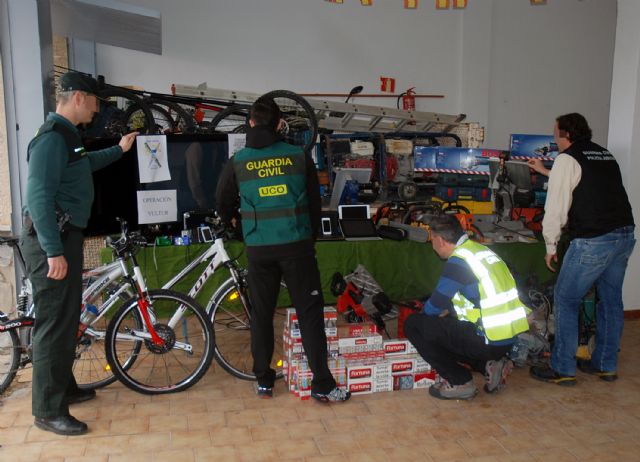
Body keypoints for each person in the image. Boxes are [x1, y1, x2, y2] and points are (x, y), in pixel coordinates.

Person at [20, 72, 138, 435]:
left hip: (63, 237)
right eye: (96, 100)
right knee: (54, 325)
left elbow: (83, 165)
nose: (98, 108)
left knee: (67, 319)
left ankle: (64, 389)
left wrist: (118, 150)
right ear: (79, 98)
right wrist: (53, 251)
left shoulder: (68, 138)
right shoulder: (51, 139)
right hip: (50, 241)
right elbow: (37, 197)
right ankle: (47, 410)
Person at [216, 96, 349, 403]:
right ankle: (322, 384)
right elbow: (316, 207)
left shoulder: (238, 161)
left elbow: (222, 203)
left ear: (250, 123)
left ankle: (263, 379)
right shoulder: (299, 156)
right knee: (310, 314)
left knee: (261, 314)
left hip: (259, 249)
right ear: (279, 124)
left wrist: (240, 230)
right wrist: (308, 237)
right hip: (297, 247)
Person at [529, 113, 635, 386]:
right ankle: (605, 365)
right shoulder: (603, 154)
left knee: (566, 300)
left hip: (593, 239)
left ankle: (562, 369)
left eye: (555, 132)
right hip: (623, 234)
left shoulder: (566, 158)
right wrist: (546, 171)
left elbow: (556, 207)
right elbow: (584, 183)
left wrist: (550, 244)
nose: (554, 137)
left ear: (565, 134)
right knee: (611, 302)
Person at [404, 215, 530, 400]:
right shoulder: (480, 251)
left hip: (488, 340)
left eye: (432, 240)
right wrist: (450, 311)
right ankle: (489, 364)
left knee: (415, 325)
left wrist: (430, 315)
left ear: (439, 240)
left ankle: (459, 381)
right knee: (446, 326)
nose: (432, 245)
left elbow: (432, 307)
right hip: (505, 337)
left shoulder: (459, 262)